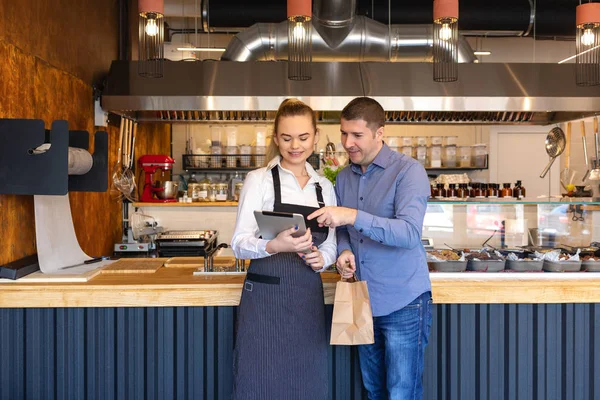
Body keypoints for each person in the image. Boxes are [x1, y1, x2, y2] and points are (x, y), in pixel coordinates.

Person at [308, 97, 432, 400]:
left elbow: (408, 233)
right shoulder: (345, 177)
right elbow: (347, 233)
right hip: (362, 298)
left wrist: (352, 215)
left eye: (357, 135)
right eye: (343, 133)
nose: (348, 143)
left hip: (404, 301)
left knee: (402, 393)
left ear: (380, 133)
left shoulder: (409, 172)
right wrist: (344, 252)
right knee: (373, 390)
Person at [230, 98, 337, 400]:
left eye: (303, 138)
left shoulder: (323, 187)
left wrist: (322, 258)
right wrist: (273, 245)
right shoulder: (259, 180)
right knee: (260, 382)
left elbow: (331, 242)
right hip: (265, 300)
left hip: (306, 296)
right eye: (287, 138)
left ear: (315, 137)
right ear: (276, 138)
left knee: (306, 383)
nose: (295, 146)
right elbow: (239, 243)